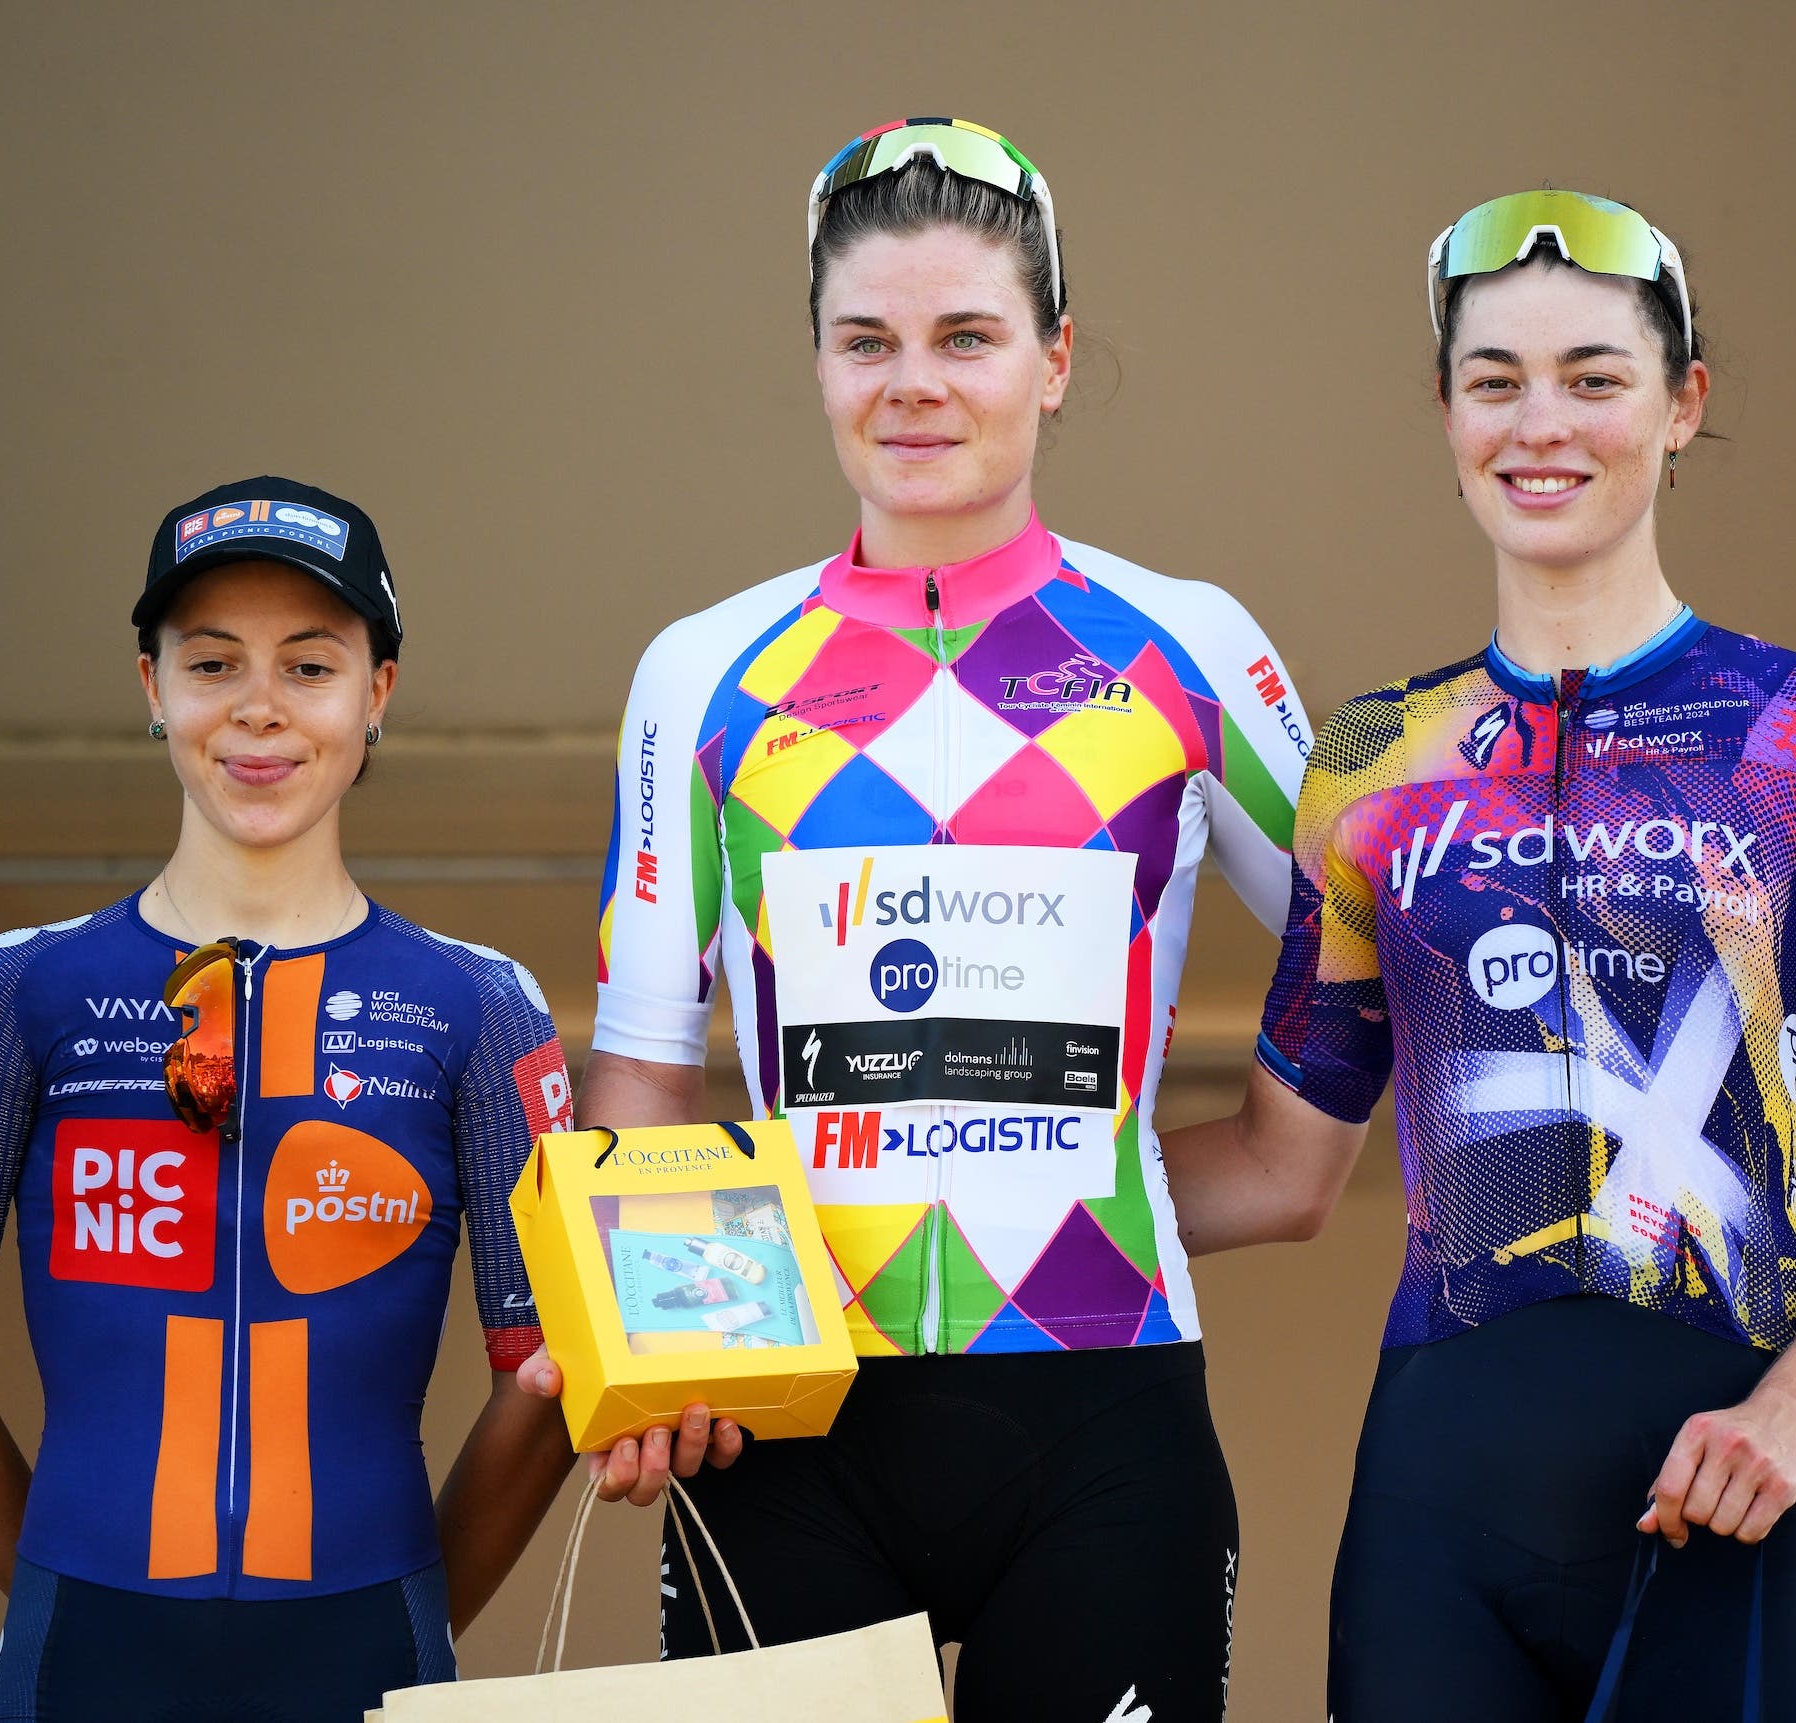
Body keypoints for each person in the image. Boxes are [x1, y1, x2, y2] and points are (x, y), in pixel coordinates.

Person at [1159, 190, 1796, 1719]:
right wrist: (925, 1211)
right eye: (1496, 379)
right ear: (1446, 410)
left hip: (1724, 1472)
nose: (1540, 422)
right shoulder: (1369, 757)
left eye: (1594, 377)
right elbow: (1280, 1171)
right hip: (1435, 1511)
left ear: (1683, 405)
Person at [518, 119, 1313, 1721]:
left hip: (1105, 1409)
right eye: (866, 340)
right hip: (785, 1423)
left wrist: (1281, 1162)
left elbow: (1370, 943)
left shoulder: (1191, 643)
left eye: (967, 337)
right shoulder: (702, 668)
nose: (914, 384)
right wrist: (658, 1344)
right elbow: (645, 1066)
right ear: (817, 361)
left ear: (1055, 360)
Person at [0, 478, 580, 1722]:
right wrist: (58, 1592)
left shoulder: (482, 1009)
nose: (259, 707)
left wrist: (411, 1617)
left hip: (368, 1639)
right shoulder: (17, 990)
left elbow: (548, 1382)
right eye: (212, 663)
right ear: (152, 686)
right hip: (88, 1646)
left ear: (378, 693)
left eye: (309, 666)